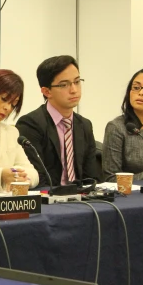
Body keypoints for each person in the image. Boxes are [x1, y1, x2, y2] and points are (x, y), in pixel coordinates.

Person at [16, 55, 101, 187]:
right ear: (46, 91)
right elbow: (37, 177)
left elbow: (91, 176)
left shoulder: (84, 125)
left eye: (77, 82)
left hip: (82, 199)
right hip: (49, 200)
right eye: (64, 85)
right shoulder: (30, 124)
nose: (74, 90)